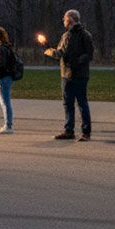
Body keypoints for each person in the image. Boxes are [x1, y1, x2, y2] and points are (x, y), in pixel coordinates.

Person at [44, 9, 94, 141]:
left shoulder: (84, 35)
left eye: (65, 18)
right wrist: (50, 50)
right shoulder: (66, 35)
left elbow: (89, 54)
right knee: (68, 103)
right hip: (66, 75)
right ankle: (69, 130)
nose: (64, 21)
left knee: (81, 103)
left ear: (71, 19)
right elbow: (61, 53)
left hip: (79, 75)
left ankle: (86, 131)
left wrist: (77, 62)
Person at [0, 27, 16, 133]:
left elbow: (1, 65)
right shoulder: (6, 47)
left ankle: (8, 126)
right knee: (6, 101)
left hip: (2, 78)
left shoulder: (0, 48)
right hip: (7, 77)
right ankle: (7, 124)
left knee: (5, 102)